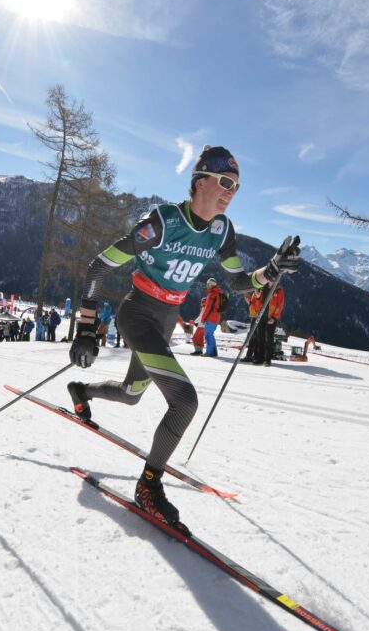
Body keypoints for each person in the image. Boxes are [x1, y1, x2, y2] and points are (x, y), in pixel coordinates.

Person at [65, 144, 300, 531]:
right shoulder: (162, 222)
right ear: (199, 181)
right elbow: (98, 267)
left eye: (237, 187)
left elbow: (239, 281)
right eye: (225, 181)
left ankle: (81, 391)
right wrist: (87, 329)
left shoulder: (222, 231)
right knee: (184, 401)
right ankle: (149, 486)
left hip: (166, 319)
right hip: (138, 314)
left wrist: (271, 269)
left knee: (131, 394)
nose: (230, 192)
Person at [262, 283, 285, 367]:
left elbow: (280, 305)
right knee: (259, 337)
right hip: (261, 316)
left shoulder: (279, 290)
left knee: (269, 338)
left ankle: (267, 359)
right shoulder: (263, 287)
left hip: (271, 317)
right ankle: (259, 356)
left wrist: (274, 318)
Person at [199, 278, 223, 357]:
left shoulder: (212, 294)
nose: (206, 286)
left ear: (210, 285)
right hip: (216, 317)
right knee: (211, 335)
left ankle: (209, 352)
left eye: (207, 284)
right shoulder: (218, 293)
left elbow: (208, 308)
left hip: (211, 318)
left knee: (208, 335)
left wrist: (203, 319)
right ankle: (214, 352)